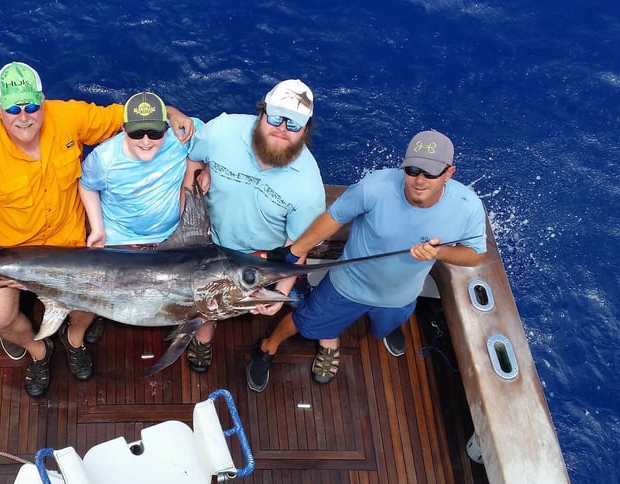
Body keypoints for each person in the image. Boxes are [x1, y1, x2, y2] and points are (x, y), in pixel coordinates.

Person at [0, 62, 196, 397]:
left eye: (32, 106)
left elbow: (124, 118)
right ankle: (39, 351)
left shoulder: (69, 116)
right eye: (13, 108)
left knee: (88, 306)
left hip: (69, 243)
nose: (24, 116)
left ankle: (73, 340)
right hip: (14, 247)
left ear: (43, 100)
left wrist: (168, 111)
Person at [245, 130, 487, 392]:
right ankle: (268, 346)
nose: (418, 180)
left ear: (449, 173)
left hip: (401, 297)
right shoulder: (374, 187)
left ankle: (387, 327)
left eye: (429, 173)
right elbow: (333, 218)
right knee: (303, 321)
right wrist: (292, 254)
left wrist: (439, 253)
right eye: (412, 170)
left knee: (387, 325)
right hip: (347, 287)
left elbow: (475, 254)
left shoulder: (468, 207)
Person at [183, 79, 326, 373]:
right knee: (207, 301)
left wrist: (281, 289)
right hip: (213, 245)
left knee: (296, 300)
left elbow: (298, 245)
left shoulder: (308, 186)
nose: (282, 128)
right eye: (275, 118)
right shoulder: (222, 131)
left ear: (305, 131)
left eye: (294, 124)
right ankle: (204, 337)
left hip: (265, 258)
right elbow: (193, 158)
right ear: (261, 113)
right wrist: (197, 178)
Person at [79, 91, 204, 249]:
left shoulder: (182, 136)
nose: (146, 142)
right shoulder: (103, 159)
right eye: (136, 133)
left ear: (167, 128)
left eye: (154, 133)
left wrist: (207, 170)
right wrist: (97, 229)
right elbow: (87, 186)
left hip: (175, 233)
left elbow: (208, 143)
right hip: (121, 237)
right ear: (124, 129)